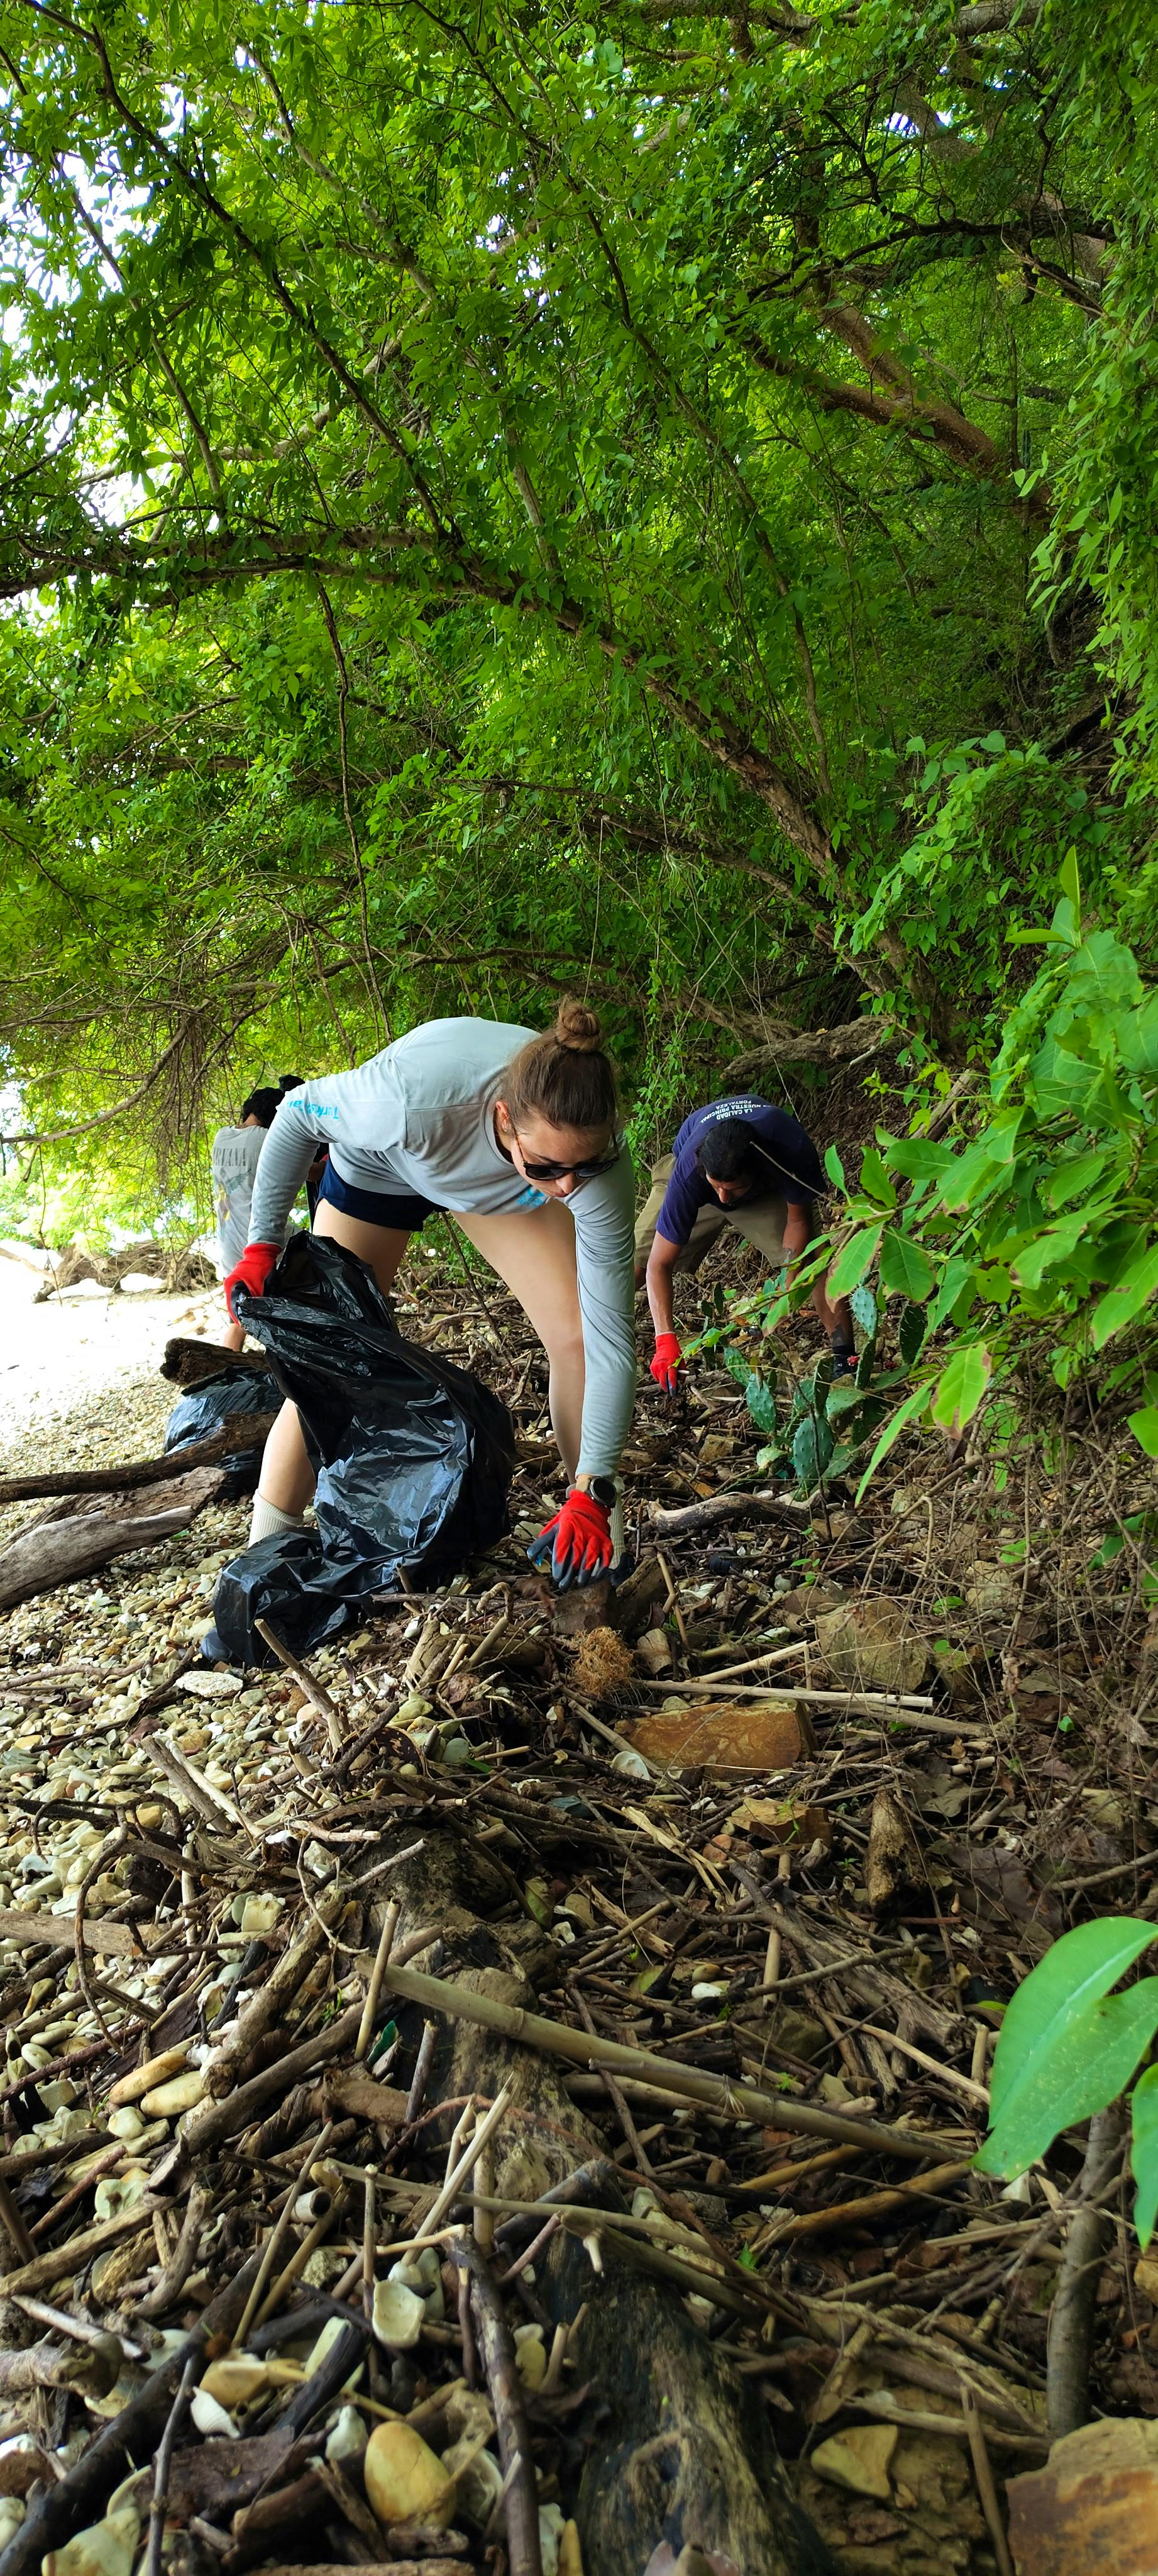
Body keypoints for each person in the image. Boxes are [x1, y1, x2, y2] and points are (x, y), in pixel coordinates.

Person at [222, 1005, 637, 1587]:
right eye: (549, 1166)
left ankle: (595, 1542)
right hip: (383, 1165)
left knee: (576, 1336)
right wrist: (261, 1246)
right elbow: (294, 1115)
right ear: (504, 1119)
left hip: (493, 1189)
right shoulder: (409, 1102)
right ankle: (264, 1554)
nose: (567, 1187)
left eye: (582, 1168)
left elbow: (612, 1341)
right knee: (333, 1356)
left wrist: (598, 1482)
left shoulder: (596, 1170)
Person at [636, 1094, 855, 1392]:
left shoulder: (788, 1146)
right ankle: (592, 1345)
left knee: (814, 1260)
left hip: (761, 1194)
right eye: (719, 1188)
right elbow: (659, 1264)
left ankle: (846, 1358)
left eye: (732, 1189)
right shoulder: (690, 1171)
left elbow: (798, 1221)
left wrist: (789, 1285)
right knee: (631, 1264)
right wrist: (665, 1341)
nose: (724, 1198)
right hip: (698, 1186)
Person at [211, 1076, 306, 1353]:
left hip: (231, 1249)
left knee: (238, 1321)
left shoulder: (222, 1137)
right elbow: (311, 1171)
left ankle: (225, 1368)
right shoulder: (267, 1138)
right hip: (262, 1246)